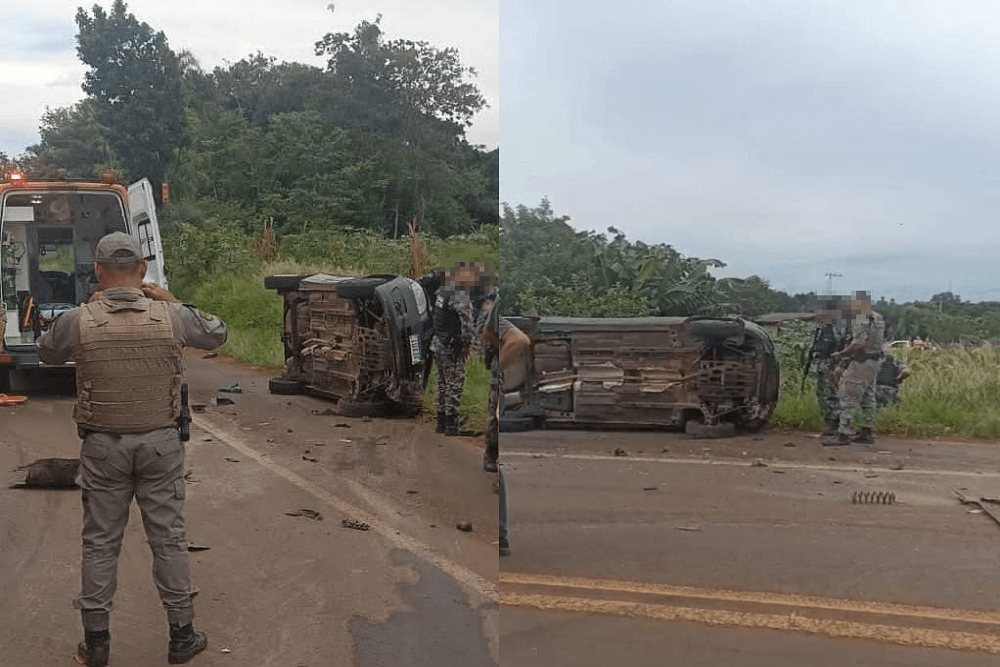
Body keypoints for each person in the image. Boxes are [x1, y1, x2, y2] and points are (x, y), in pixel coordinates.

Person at [37, 232, 226, 666]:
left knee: (100, 544)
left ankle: (98, 643)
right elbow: (217, 334)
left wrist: (83, 317)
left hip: (103, 447)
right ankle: (182, 636)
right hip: (161, 445)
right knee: (169, 541)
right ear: (142, 271)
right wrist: (170, 299)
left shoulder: (78, 319)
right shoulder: (171, 316)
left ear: (99, 273)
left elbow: (47, 353)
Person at [825, 290, 885, 446]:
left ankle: (843, 432)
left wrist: (842, 354)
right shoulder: (878, 318)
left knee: (849, 397)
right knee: (868, 398)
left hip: (861, 362)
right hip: (875, 361)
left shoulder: (860, 319)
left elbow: (858, 343)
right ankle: (867, 430)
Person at [431, 263, 476, 436]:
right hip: (452, 346)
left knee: (441, 383)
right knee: (455, 383)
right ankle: (452, 424)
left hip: (438, 343)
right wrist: (466, 344)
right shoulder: (459, 294)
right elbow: (466, 322)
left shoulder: (443, 291)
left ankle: (441, 422)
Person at [810, 295, 849, 437]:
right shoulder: (825, 326)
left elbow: (843, 346)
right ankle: (831, 424)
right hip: (823, 363)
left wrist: (837, 363)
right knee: (824, 395)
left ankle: (834, 425)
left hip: (833, 364)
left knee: (833, 395)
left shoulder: (839, 327)